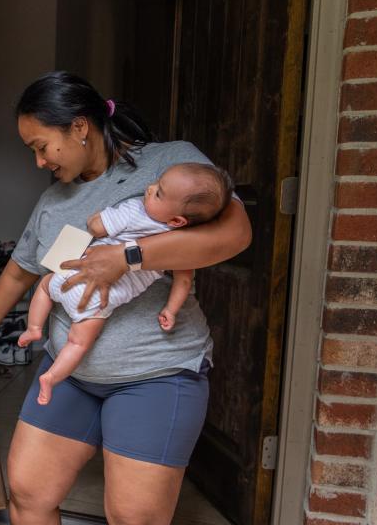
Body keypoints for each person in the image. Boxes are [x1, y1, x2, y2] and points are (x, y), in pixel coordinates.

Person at [0, 72, 251, 525]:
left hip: (158, 373)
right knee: (29, 492)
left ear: (80, 127)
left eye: (41, 146)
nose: (38, 161)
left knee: (134, 520)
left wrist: (131, 255)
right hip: (72, 368)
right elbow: (19, 273)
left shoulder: (167, 166)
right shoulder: (54, 202)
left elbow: (234, 233)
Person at [18, 162, 234, 405]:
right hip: (98, 304)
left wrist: (96, 217)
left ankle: (34, 327)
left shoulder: (134, 211)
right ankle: (52, 377)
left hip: (70, 275)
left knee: (45, 286)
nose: (149, 188)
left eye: (159, 192)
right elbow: (183, 282)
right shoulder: (180, 246)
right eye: (156, 183)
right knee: (78, 343)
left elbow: (96, 227)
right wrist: (170, 310)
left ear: (177, 220)